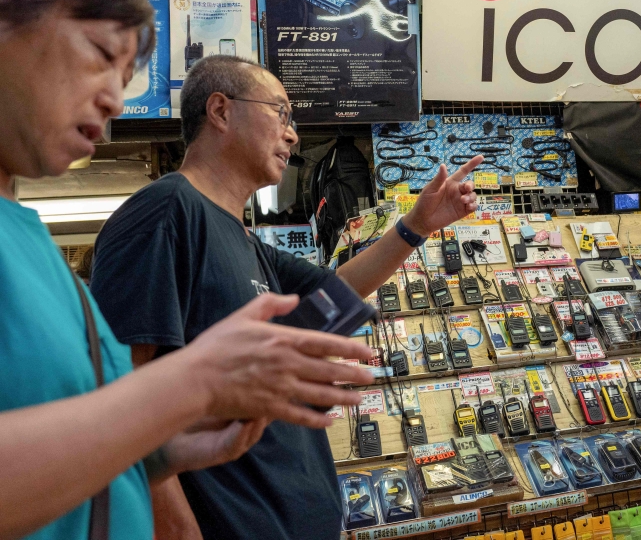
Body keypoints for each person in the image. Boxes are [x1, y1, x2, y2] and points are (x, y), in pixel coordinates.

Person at [0, 0, 376, 540]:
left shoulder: (28, 239)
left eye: (127, 74)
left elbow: (80, 440)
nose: (117, 99)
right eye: (98, 53)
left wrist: (176, 448)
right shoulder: (164, 214)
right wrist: (195, 385)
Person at [90, 53, 483, 540]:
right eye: (281, 113)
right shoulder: (165, 213)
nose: (293, 134)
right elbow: (119, 405)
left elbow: (334, 293)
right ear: (220, 110)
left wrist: (416, 226)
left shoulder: (242, 236)